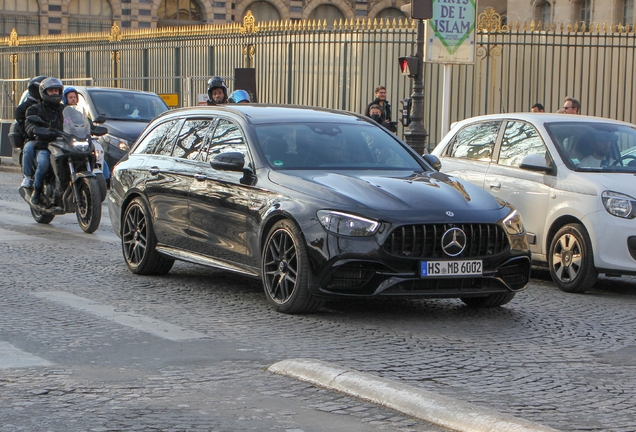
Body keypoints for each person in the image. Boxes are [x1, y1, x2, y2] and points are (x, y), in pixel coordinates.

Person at [24, 77, 65, 206]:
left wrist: (89, 126)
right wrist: (37, 130)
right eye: (51, 91)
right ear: (44, 92)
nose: (54, 93)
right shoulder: (35, 109)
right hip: (45, 145)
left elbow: (76, 121)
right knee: (43, 164)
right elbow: (29, 124)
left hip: (63, 145)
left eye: (56, 90)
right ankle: (36, 192)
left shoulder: (65, 109)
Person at [16, 75, 47, 188]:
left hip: (51, 137)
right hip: (33, 138)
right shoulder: (25, 108)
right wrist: (34, 131)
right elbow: (25, 126)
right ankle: (27, 176)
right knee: (28, 149)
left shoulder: (53, 106)